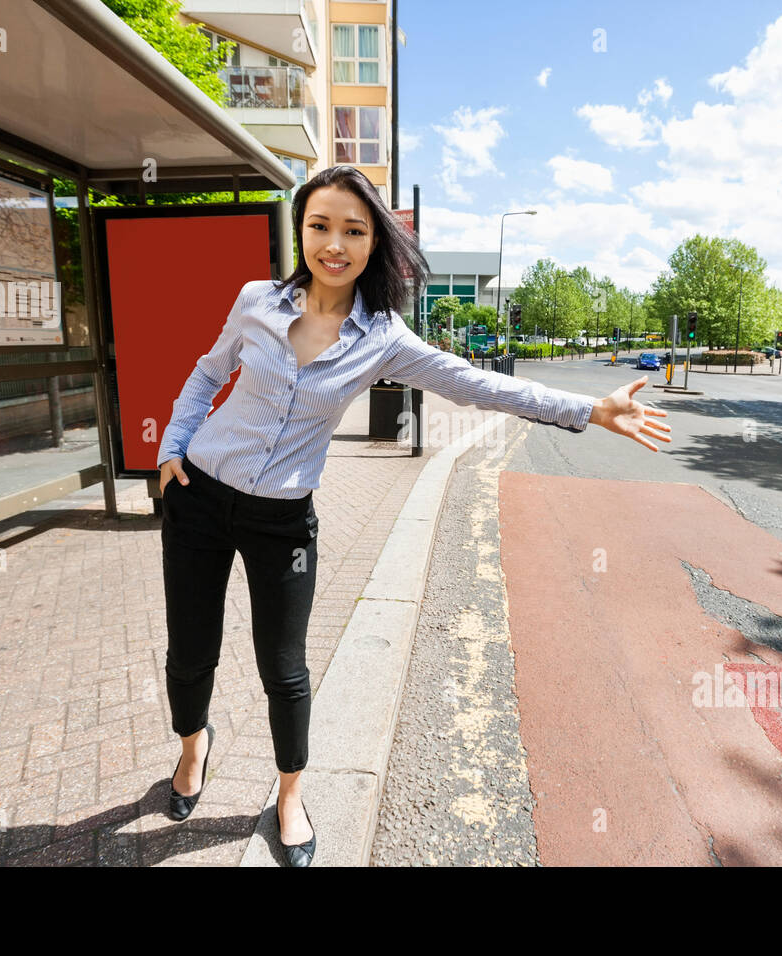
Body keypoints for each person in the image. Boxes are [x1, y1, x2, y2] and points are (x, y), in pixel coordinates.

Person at [155, 165, 671, 866]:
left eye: (353, 230)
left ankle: (289, 795)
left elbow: (472, 382)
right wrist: (173, 445)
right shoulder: (256, 301)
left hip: (281, 520)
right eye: (319, 225)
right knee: (191, 652)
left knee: (285, 669)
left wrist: (586, 408)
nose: (333, 244)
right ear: (299, 229)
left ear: (374, 245)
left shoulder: (383, 336)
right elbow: (209, 371)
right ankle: (193, 750)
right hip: (200, 498)